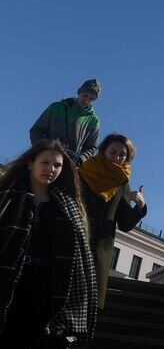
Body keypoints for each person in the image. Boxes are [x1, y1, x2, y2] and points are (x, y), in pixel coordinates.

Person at [0, 139, 98, 347]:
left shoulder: (68, 208)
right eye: (45, 163)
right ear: (30, 163)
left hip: (46, 289)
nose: (50, 169)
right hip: (9, 283)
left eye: (57, 165)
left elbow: (78, 258)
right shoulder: (7, 196)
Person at [79, 134, 147, 308]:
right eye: (113, 152)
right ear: (103, 151)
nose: (117, 157)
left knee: (87, 307)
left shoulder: (122, 183)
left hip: (98, 251)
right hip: (74, 241)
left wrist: (139, 208)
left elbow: (124, 223)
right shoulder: (84, 172)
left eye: (122, 155)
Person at [29, 79, 102, 164]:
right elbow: (36, 130)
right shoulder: (56, 107)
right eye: (85, 95)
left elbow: (91, 146)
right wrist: (41, 148)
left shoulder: (93, 120)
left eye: (91, 98)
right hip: (47, 156)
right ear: (79, 92)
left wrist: (81, 159)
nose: (86, 100)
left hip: (70, 163)